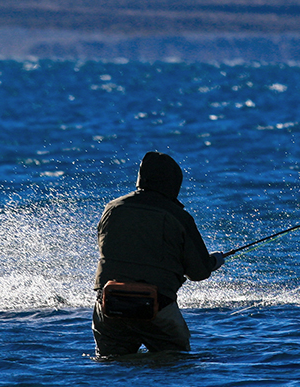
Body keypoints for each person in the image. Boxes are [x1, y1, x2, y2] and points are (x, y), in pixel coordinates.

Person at [92, 151, 224, 357]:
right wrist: (214, 261)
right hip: (157, 308)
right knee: (174, 362)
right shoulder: (179, 216)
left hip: (109, 305)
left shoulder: (112, 208)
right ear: (174, 182)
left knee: (111, 364)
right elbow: (199, 273)